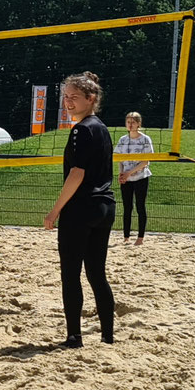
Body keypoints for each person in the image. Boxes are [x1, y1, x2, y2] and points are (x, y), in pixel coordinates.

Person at [43, 72, 117, 347]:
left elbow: (77, 173)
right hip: (105, 206)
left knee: (71, 273)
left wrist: (55, 211)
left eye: (74, 97)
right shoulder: (102, 127)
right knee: (97, 273)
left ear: (91, 99)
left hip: (82, 208)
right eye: (65, 97)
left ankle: (74, 336)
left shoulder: (82, 129)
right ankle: (108, 336)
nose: (68, 102)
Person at [116, 111, 153, 246]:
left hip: (141, 177)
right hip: (126, 178)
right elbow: (119, 159)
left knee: (140, 206)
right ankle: (126, 237)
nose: (130, 125)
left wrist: (129, 173)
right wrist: (121, 174)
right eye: (128, 122)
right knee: (127, 207)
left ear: (139, 124)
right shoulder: (122, 140)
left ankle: (140, 237)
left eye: (133, 122)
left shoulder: (145, 139)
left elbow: (146, 161)